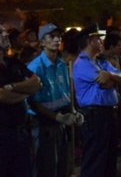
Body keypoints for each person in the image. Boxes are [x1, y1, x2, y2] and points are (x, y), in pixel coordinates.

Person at [27, 23, 82, 177]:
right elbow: (34, 102)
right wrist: (57, 117)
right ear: (42, 42)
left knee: (64, 168)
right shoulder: (35, 67)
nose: (57, 39)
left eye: (59, 36)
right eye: (51, 36)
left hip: (63, 124)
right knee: (48, 168)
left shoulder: (62, 65)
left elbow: (66, 95)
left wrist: (74, 112)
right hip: (45, 126)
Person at [73, 27, 121, 177]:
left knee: (109, 158)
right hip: (94, 115)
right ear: (90, 42)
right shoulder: (82, 64)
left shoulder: (101, 62)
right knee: (96, 159)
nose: (101, 41)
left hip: (108, 113)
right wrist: (112, 78)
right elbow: (105, 84)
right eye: (98, 39)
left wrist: (110, 75)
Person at [0, 25, 43, 177]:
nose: (5, 34)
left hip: (20, 134)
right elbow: (3, 97)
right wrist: (25, 92)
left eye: (4, 31)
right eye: (0, 32)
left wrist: (11, 87)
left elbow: (37, 83)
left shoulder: (14, 63)